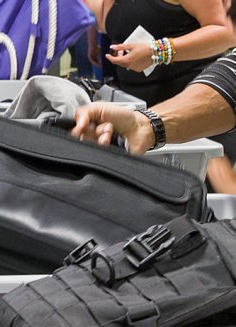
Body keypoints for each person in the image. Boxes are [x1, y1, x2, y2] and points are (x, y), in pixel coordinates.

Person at [71, 0, 236, 187]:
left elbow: (227, 33)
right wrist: (92, 37)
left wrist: (157, 52)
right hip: (143, 111)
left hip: (197, 117)